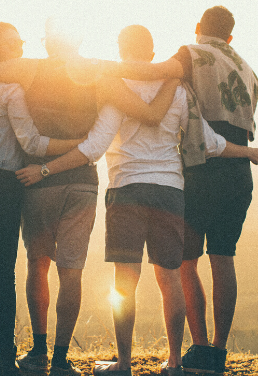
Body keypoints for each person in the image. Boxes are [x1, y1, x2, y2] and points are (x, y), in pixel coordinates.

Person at [15, 24, 258, 376]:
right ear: (153, 50)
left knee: (125, 281)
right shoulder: (178, 89)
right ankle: (174, 362)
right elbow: (210, 143)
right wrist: (249, 152)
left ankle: (124, 364)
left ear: (121, 49)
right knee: (170, 278)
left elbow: (94, 147)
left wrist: (46, 169)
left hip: (126, 188)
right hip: (170, 191)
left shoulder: (117, 88)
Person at [0, 19, 180, 376]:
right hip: (82, 183)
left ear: (48, 44)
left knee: (38, 264)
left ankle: (39, 352)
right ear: (79, 40)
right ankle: (62, 359)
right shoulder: (98, 74)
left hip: (38, 180)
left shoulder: (29, 69)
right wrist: (174, 75)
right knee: (71, 271)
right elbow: (150, 112)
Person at [86, 7, 257, 375]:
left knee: (183, 264)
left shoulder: (188, 56)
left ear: (198, 28)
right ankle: (212, 354)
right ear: (230, 36)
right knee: (223, 258)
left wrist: (101, 69)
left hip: (196, 171)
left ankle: (184, 349)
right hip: (235, 171)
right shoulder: (246, 69)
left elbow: (153, 75)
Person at [0, 22, 86, 376]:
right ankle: (6, 359)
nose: (21, 48)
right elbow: (33, 144)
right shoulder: (10, 90)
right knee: (1, 275)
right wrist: (79, 145)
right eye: (16, 43)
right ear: (2, 50)